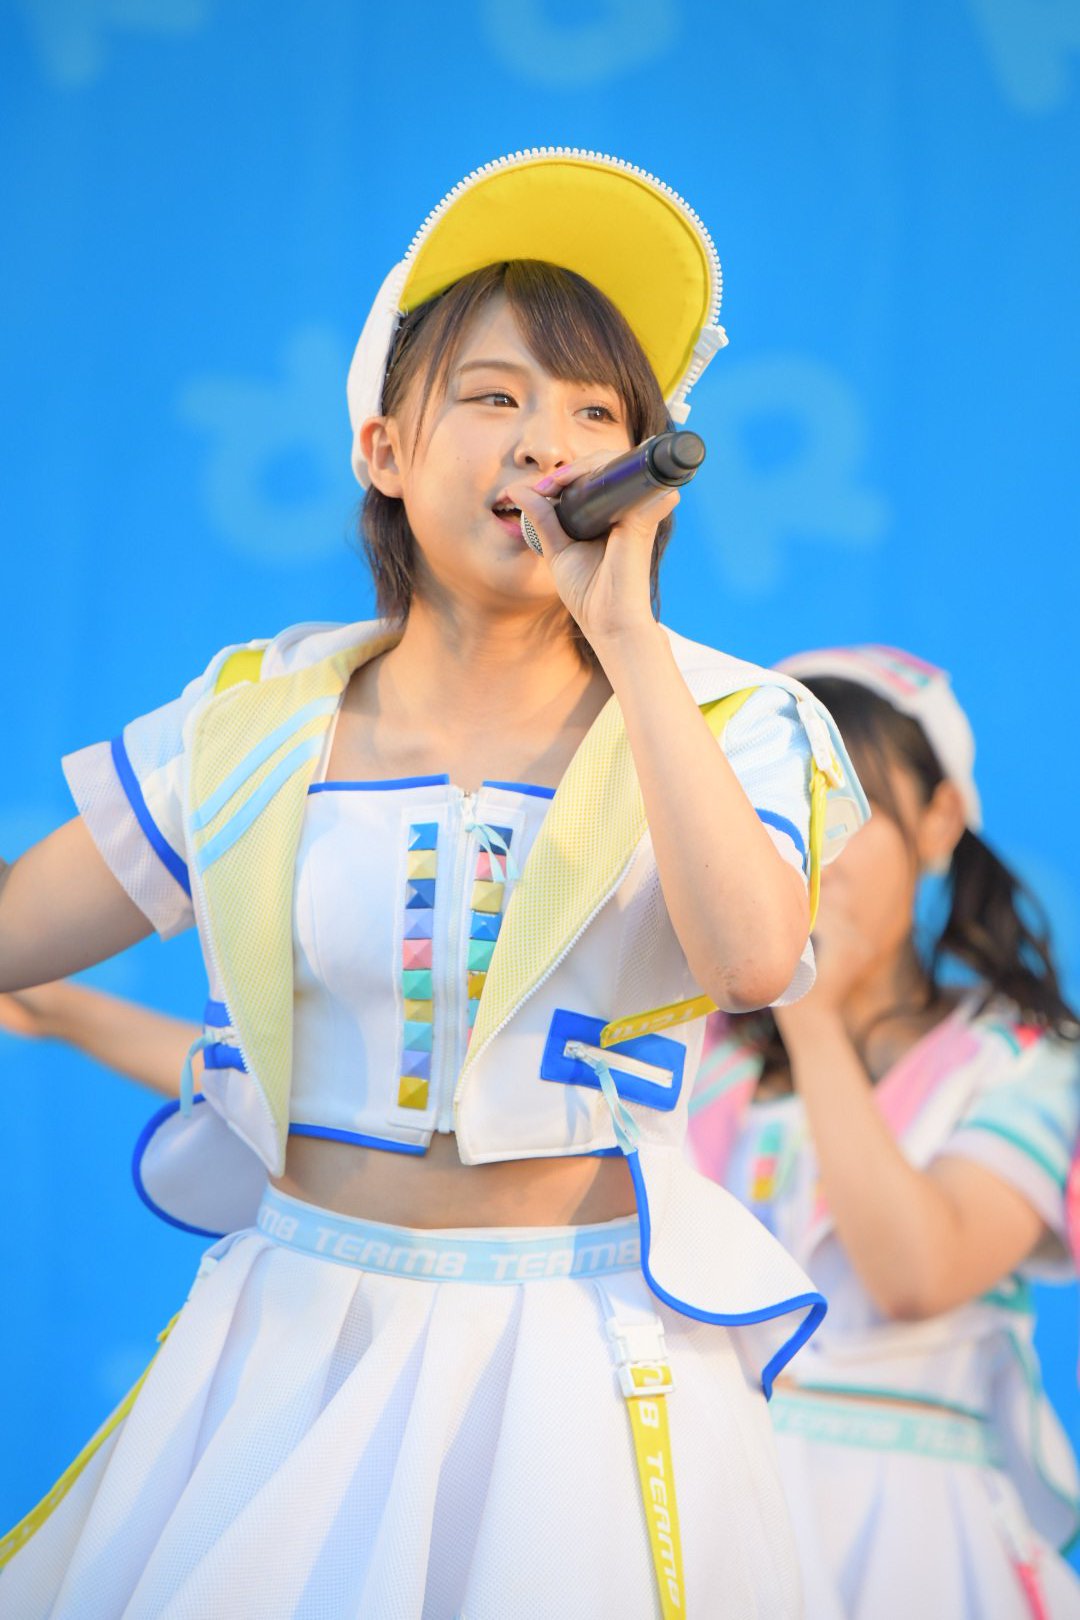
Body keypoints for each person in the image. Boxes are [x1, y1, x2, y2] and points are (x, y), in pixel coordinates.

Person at [0, 149, 868, 1618]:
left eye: (598, 415)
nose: (549, 446)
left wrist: (629, 641)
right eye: (495, 397)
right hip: (294, 1334)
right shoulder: (253, 722)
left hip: (572, 1359)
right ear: (385, 449)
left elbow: (751, 961)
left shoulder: (732, 720)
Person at [688, 643, 1080, 1619]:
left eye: (848, 806)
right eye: (779, 807)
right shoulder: (694, 1053)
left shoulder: (1024, 1060)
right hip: (710, 1510)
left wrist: (808, 1009)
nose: (812, 850)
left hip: (919, 1536)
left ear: (940, 820)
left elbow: (917, 1271)